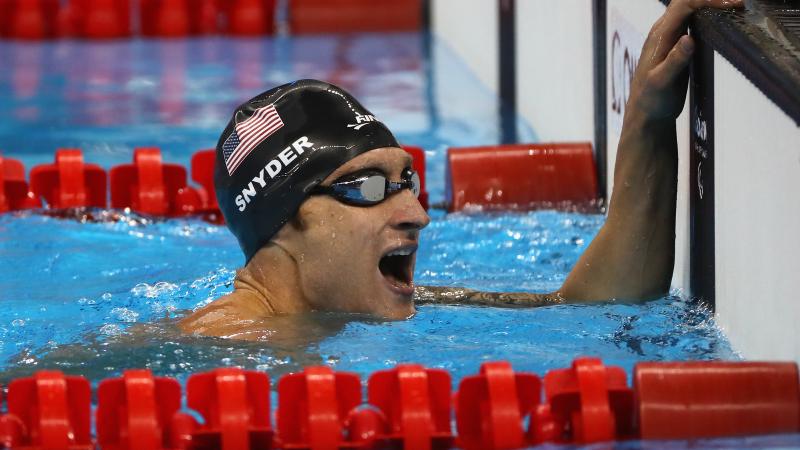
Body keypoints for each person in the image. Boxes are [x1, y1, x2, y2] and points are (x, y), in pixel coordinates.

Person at [179, 0, 743, 338]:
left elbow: (595, 306)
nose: (417, 215)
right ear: (285, 219)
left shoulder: (353, 300)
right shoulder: (221, 347)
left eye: (408, 182)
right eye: (370, 187)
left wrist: (646, 122)